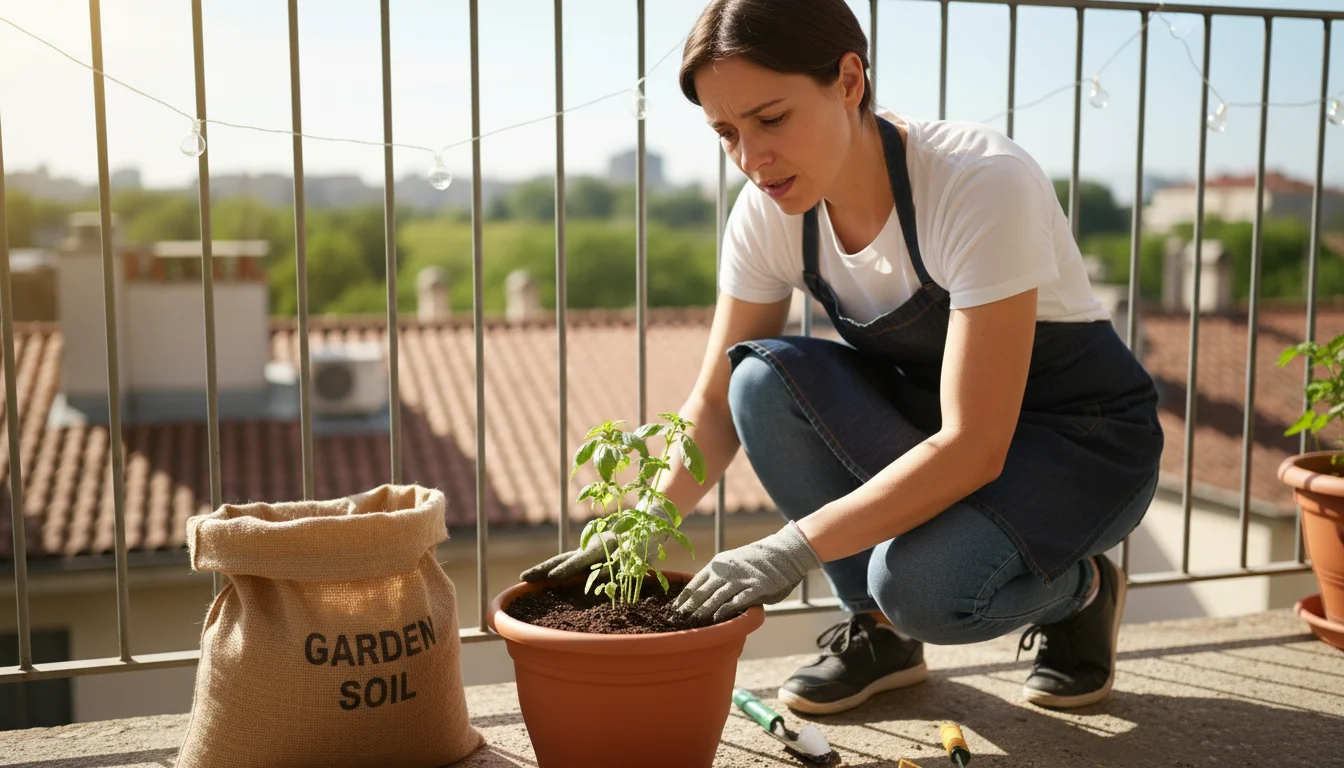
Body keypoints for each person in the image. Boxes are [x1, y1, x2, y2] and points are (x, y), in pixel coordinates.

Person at [521, 0, 1163, 716]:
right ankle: (881, 635)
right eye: (726, 132)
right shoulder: (768, 212)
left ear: (850, 80)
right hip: (941, 424)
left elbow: (976, 443)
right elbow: (710, 405)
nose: (750, 158)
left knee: (921, 588)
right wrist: (637, 528)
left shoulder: (978, 182)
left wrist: (788, 549)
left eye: (771, 118)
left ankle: (1083, 592)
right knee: (756, 380)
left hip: (1081, 442)